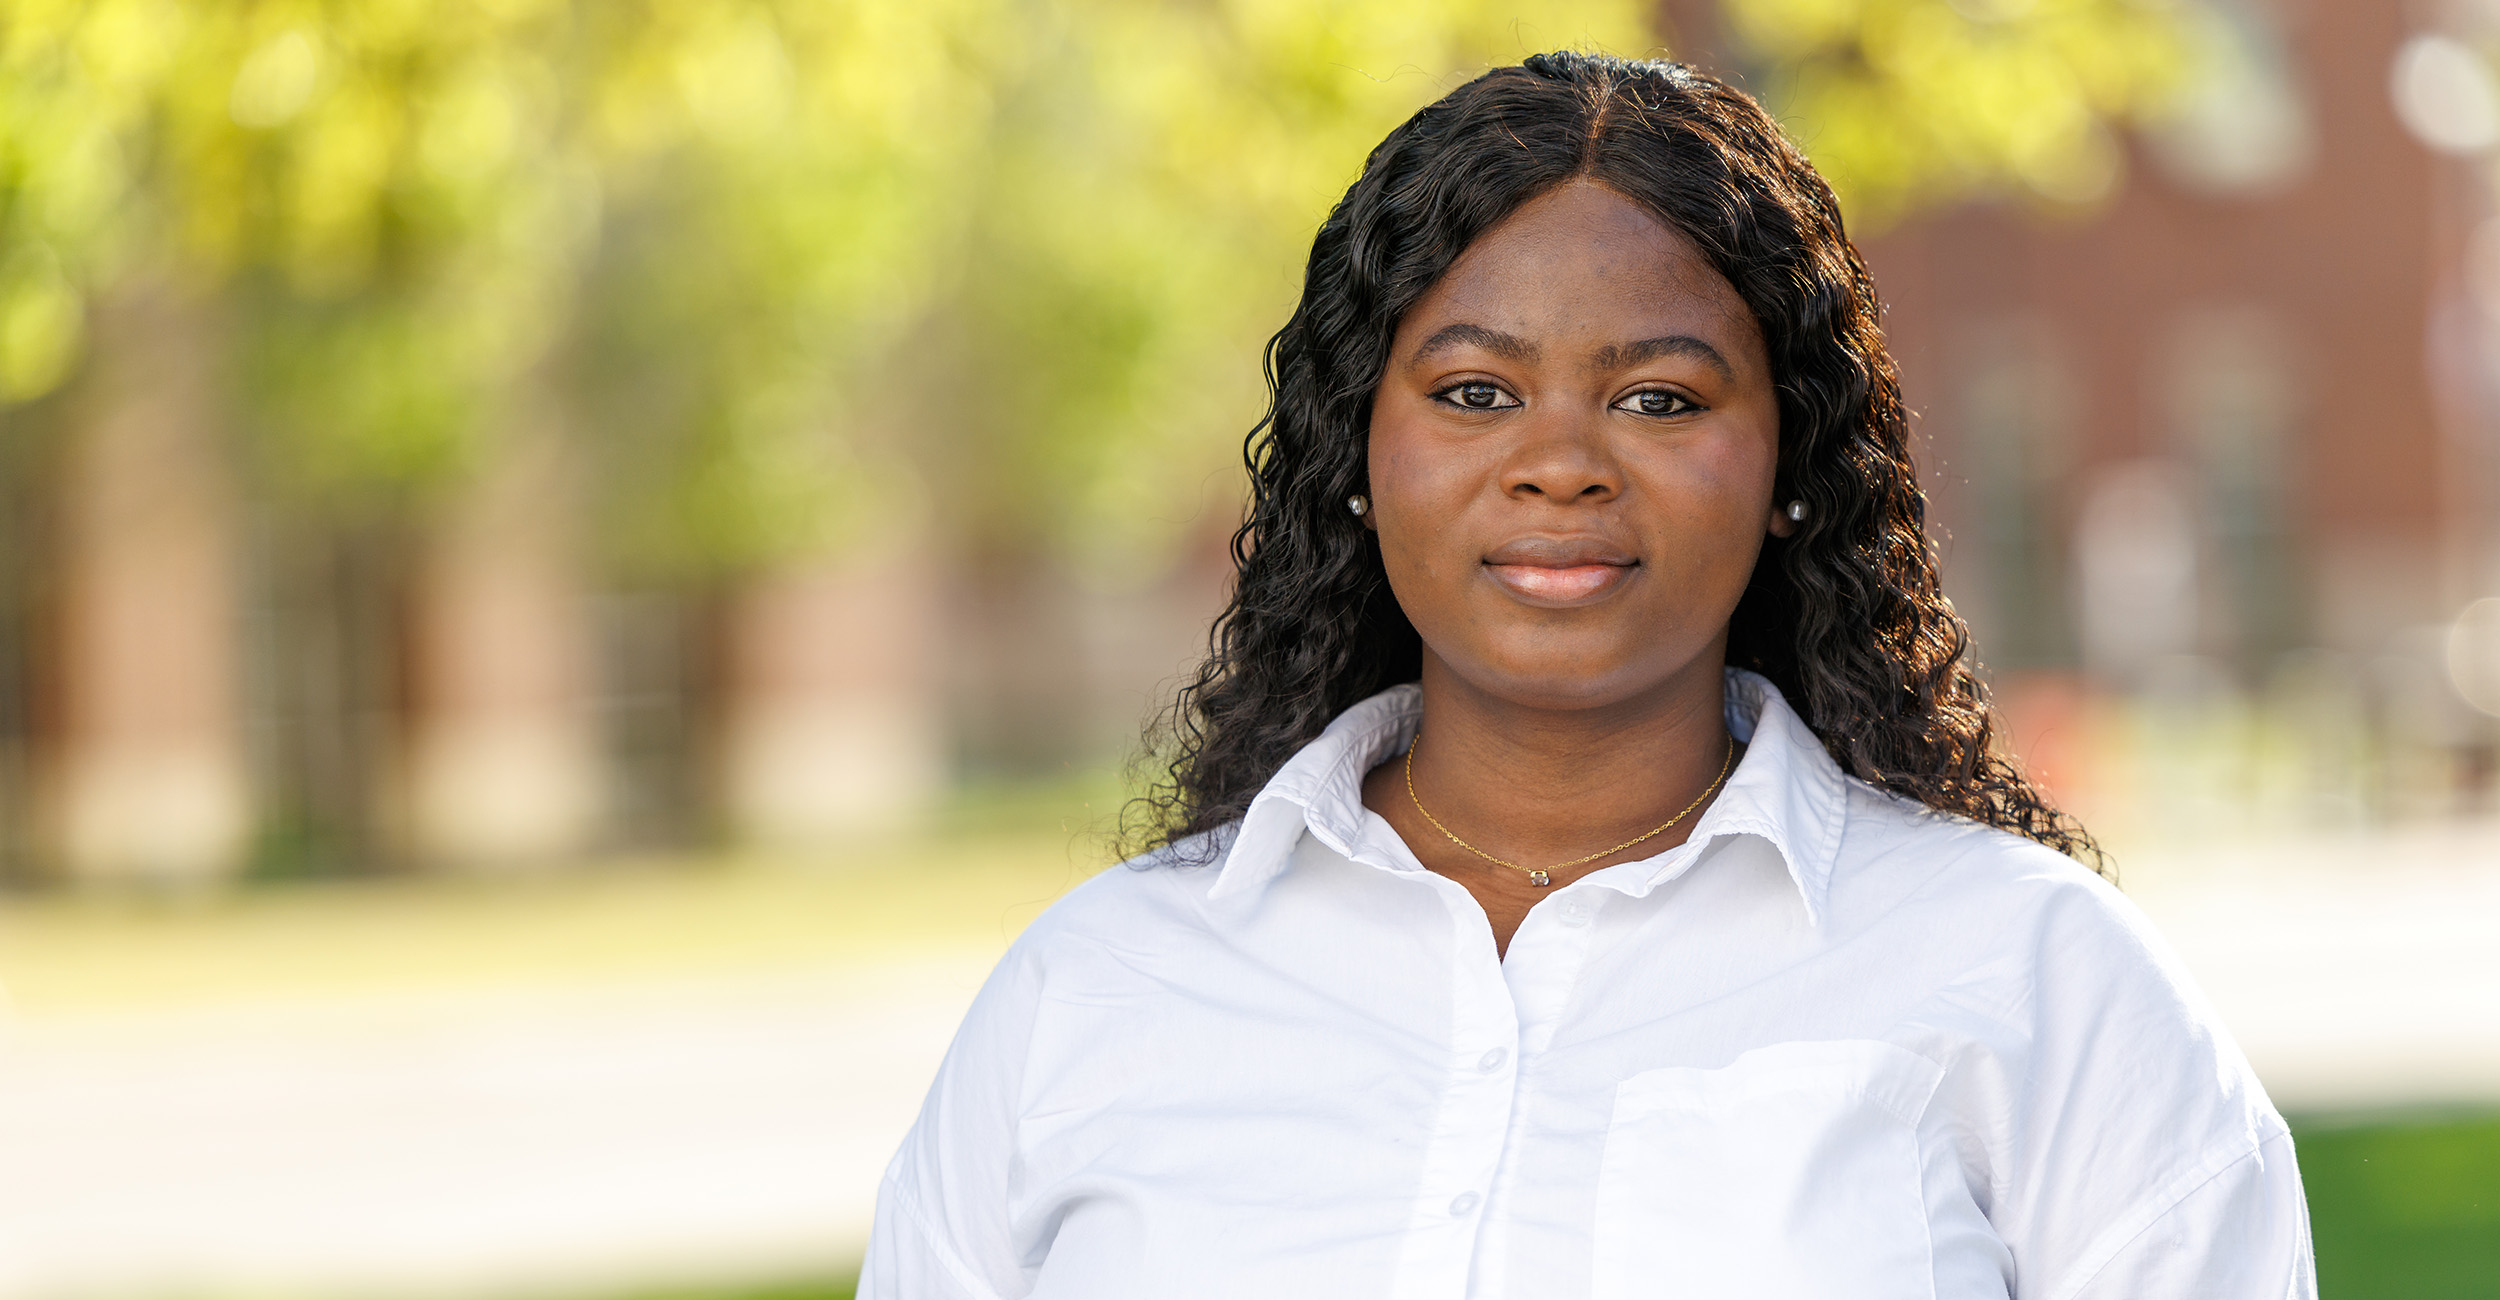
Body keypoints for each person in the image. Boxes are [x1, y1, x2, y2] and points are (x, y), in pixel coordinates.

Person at [861, 52, 2314, 1299]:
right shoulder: (1098, 990)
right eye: (1475, 392)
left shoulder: (2038, 977)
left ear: (1791, 465)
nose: (1559, 465)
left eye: (1659, 398)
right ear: (1359, 456)